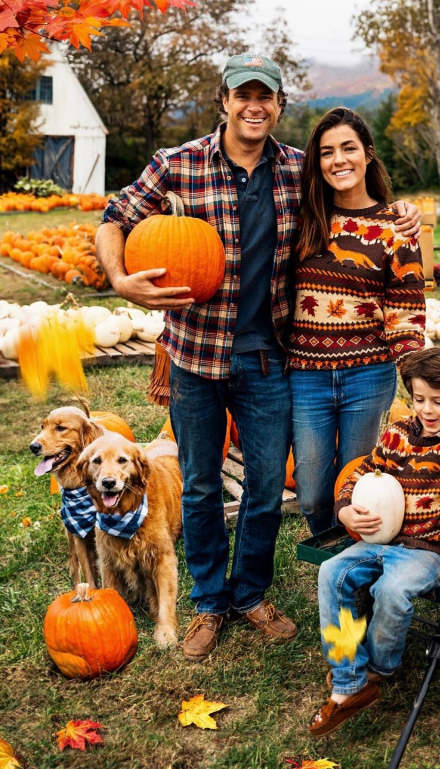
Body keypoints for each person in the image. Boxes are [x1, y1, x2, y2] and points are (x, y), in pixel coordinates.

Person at [95, 54, 422, 662]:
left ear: (278, 105)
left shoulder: (299, 168)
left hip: (270, 360)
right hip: (195, 355)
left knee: (267, 489)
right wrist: (119, 277)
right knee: (198, 487)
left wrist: (401, 212)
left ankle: (251, 594)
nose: (254, 106)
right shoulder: (179, 163)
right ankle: (208, 601)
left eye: (265, 97)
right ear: (224, 99)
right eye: (243, 95)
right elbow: (115, 217)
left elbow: (356, 195)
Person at [308, 347, 440, 736]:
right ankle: (348, 677)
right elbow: (363, 471)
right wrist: (343, 509)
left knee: (393, 590)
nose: (427, 410)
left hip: (429, 551)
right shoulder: (397, 434)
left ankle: (379, 670)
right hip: (382, 539)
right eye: (419, 399)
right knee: (331, 573)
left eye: (438, 402)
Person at [288, 107, 426, 536]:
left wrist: (415, 374)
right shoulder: (303, 217)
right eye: (327, 152)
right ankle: (328, 539)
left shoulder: (396, 228)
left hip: (368, 374)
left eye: (349, 148)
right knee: (310, 490)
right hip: (307, 374)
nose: (339, 160)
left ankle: (350, 567)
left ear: (368, 154)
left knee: (361, 482)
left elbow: (406, 310)